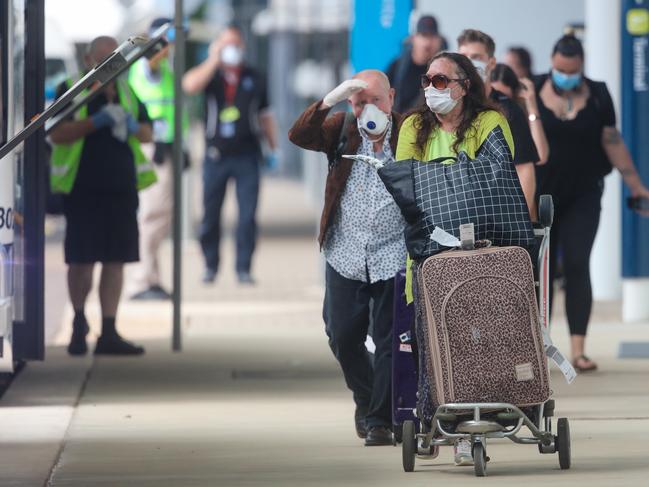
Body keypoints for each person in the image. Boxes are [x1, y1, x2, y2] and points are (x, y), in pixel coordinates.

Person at [396, 51, 515, 466]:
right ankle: (445, 422)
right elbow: (405, 186)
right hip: (429, 255)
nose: (432, 88)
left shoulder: (490, 124)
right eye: (427, 80)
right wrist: (454, 183)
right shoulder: (413, 126)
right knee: (436, 344)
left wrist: (442, 188)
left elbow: (495, 182)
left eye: (442, 81)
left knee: (478, 344)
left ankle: (474, 421)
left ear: (465, 86)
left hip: (483, 252)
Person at [289, 70, 405, 446]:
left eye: (373, 100)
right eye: (358, 102)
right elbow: (299, 135)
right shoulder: (342, 128)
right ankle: (367, 397)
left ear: (391, 96)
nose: (366, 109)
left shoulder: (411, 132)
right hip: (346, 250)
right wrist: (329, 101)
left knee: (390, 340)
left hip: (394, 251)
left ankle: (380, 421)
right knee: (341, 334)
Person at [534, 35, 649, 372]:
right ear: (551, 62)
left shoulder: (597, 94)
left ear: (581, 67)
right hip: (542, 196)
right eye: (558, 69)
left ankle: (578, 349)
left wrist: (637, 187)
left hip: (584, 193)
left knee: (577, 263)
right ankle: (541, 347)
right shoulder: (534, 89)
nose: (563, 75)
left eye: (570, 70)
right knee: (540, 271)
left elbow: (612, 142)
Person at [49, 36, 156, 356]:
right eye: (105, 59)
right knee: (81, 261)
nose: (112, 65)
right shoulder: (70, 88)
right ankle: (79, 324)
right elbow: (57, 132)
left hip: (121, 189)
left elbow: (148, 132)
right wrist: (95, 122)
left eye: (117, 60)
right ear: (88, 61)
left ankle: (109, 331)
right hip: (83, 190)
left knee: (116, 261)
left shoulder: (126, 90)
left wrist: (131, 125)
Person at [182, 25, 278, 285]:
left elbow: (265, 114)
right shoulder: (211, 76)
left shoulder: (255, 77)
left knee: (247, 216)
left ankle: (244, 268)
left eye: (235, 45)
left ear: (243, 47)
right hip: (216, 156)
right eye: (226, 46)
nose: (231, 51)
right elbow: (189, 85)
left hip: (248, 155)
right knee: (210, 215)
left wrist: (273, 147)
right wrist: (214, 59)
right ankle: (210, 266)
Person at [128, 17, 188, 300]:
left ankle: (150, 277)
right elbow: (149, 63)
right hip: (154, 148)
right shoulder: (148, 64)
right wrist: (161, 43)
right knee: (153, 214)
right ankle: (142, 280)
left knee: (159, 215)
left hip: (165, 145)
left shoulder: (167, 67)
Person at [457, 29, 539, 217]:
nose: (469, 62)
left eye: (476, 56)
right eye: (463, 57)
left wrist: (521, 220)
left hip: (500, 215)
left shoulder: (508, 110)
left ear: (491, 63)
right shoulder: (448, 107)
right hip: (458, 215)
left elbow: (524, 169)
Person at [490, 63, 549, 166]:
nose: (499, 105)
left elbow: (541, 156)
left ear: (515, 94)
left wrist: (532, 107)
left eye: (504, 97)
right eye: (494, 97)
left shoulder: (519, 115)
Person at [385, 15, 443, 113]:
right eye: (424, 35)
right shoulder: (396, 67)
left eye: (432, 36)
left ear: (439, 41)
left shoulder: (443, 71)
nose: (427, 43)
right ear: (413, 38)